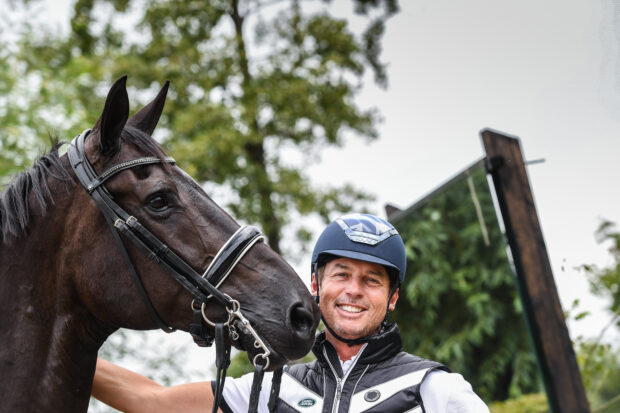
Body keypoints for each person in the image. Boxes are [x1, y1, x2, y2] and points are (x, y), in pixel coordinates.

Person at [93, 213, 489, 412]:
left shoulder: (435, 389)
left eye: (372, 281)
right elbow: (152, 401)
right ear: (316, 286)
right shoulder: (270, 391)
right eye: (341, 274)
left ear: (392, 298)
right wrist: (42, 347)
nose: (353, 290)